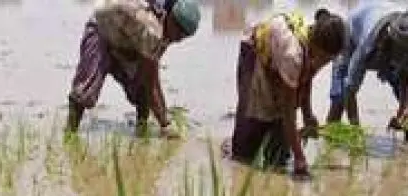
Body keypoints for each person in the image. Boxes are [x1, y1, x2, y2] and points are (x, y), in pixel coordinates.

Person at [229, 8, 346, 177]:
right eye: (326, 59)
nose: (326, 64)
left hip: (279, 58)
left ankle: (277, 156)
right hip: (256, 54)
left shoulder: (313, 43)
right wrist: (300, 157)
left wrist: (308, 114)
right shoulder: (293, 54)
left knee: (279, 153)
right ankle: (235, 153)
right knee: (248, 142)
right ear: (317, 47)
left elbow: (306, 75)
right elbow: (287, 109)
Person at [64, 0, 202, 139]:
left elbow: (151, 65)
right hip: (102, 30)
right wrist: (165, 124)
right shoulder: (152, 30)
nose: (179, 38)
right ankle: (70, 134)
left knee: (141, 91)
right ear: (171, 18)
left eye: (184, 36)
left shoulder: (164, 27)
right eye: (178, 32)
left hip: (125, 42)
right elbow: (152, 82)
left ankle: (141, 135)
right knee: (85, 92)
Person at [326, 2, 408, 142]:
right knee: (340, 95)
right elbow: (350, 89)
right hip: (352, 36)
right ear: (391, 46)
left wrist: (404, 107)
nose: (405, 61)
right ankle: (330, 144)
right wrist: (355, 129)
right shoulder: (367, 45)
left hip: (381, 20)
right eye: (402, 57)